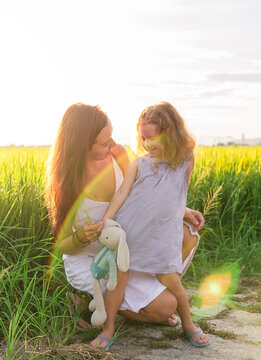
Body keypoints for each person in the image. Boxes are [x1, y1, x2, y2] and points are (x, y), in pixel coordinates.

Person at [44, 103, 205, 350]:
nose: (113, 146)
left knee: (168, 297)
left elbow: (142, 193)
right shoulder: (68, 183)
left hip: (126, 244)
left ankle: (114, 304)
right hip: (89, 256)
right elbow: (62, 245)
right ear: (82, 145)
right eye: (104, 142)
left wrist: (182, 210)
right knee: (150, 300)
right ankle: (92, 300)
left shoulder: (119, 155)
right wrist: (80, 237)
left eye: (112, 138)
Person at [102, 101, 209, 347]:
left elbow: (177, 195)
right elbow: (122, 194)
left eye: (153, 138)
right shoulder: (139, 164)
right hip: (130, 232)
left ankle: (188, 324)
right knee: (118, 279)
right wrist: (107, 220)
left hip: (161, 235)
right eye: (143, 138)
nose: (147, 144)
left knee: (172, 281)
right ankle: (108, 328)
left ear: (170, 133)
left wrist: (183, 212)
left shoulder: (185, 160)